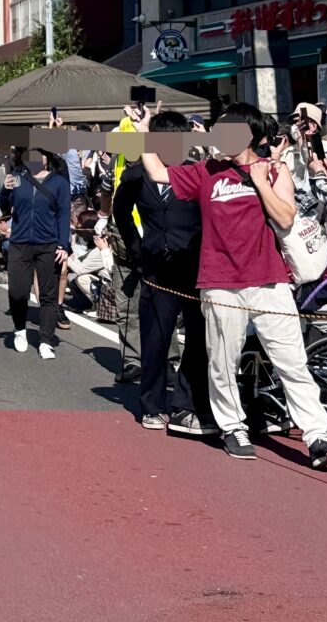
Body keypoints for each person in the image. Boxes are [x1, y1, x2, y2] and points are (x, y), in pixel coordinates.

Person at [136, 102, 327, 469]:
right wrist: (144, 133)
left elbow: (284, 215)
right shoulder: (205, 172)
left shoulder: (274, 170)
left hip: (269, 281)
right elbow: (157, 172)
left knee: (292, 362)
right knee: (222, 361)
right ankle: (232, 425)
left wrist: (258, 178)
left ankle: (317, 435)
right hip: (219, 283)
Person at [113, 110, 216, 435]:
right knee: (155, 338)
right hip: (155, 266)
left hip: (193, 267)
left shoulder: (197, 173)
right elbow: (120, 211)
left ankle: (185, 405)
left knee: (198, 339)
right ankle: (152, 405)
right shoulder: (136, 175)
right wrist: (136, 248)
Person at [0, 148, 71, 359]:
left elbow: (64, 214)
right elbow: (0, 206)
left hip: (49, 244)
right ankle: (20, 329)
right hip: (20, 243)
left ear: (47, 158)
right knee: (17, 291)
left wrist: (63, 245)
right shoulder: (18, 179)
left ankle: (46, 340)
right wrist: (4, 190)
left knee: (48, 295)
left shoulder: (59, 183)